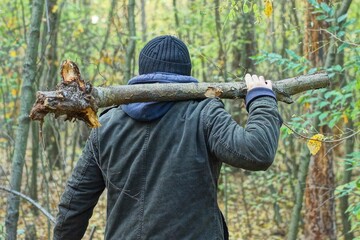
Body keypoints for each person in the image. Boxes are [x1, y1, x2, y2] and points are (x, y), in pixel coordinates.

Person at [53, 35, 282, 239]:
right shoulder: (204, 112)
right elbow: (258, 151)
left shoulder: (107, 124)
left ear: (142, 72)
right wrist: (261, 99)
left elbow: (73, 206)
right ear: (186, 74)